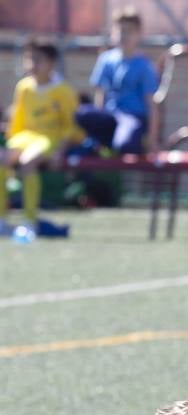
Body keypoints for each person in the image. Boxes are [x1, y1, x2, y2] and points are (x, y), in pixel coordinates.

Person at [0, 39, 80, 240]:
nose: (31, 65)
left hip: (49, 139)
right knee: (2, 159)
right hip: (26, 138)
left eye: (37, 60)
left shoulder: (63, 91)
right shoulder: (24, 87)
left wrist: (60, 151)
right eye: (29, 59)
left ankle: (29, 221)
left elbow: (71, 126)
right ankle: (2, 220)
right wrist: (11, 142)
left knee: (28, 162)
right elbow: (17, 122)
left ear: (51, 63)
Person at [74, 7, 159, 156]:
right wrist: (98, 121)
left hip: (131, 118)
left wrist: (152, 138)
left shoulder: (144, 65)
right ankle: (98, 142)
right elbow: (100, 95)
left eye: (129, 31)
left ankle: (134, 142)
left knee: (125, 143)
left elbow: (151, 104)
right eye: (120, 30)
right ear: (113, 32)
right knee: (81, 113)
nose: (123, 35)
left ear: (138, 34)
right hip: (110, 117)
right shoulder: (106, 59)